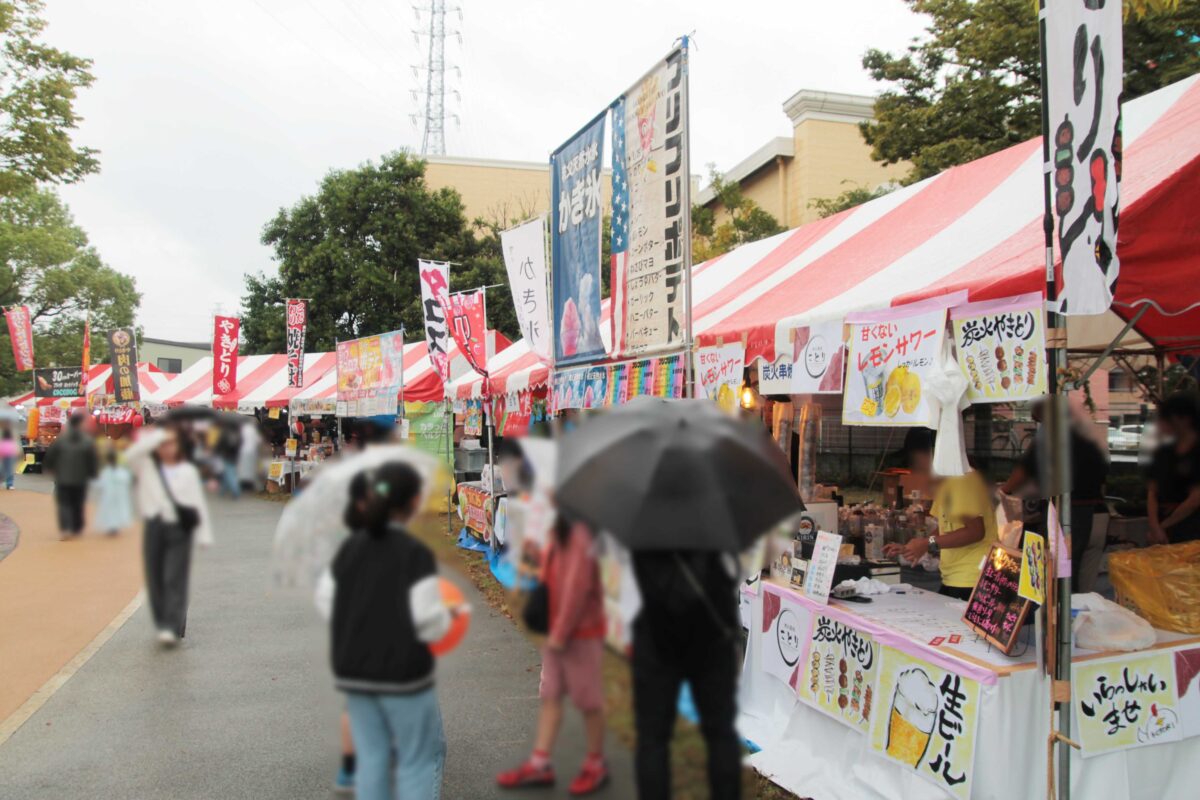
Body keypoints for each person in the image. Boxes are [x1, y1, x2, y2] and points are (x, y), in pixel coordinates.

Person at [315, 462, 458, 800]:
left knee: (373, 756)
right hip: (404, 674)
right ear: (413, 503)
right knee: (423, 754)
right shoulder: (414, 554)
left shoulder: (350, 547)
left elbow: (326, 599)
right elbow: (429, 621)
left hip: (356, 672)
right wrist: (445, 618)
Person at [497, 517, 608, 795]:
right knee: (550, 692)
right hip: (557, 625)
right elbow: (555, 574)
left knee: (588, 698)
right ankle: (540, 762)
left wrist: (559, 633)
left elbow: (577, 587)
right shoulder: (560, 526)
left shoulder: (581, 533)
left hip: (580, 632)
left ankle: (596, 763)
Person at [630, 550, 742, 800]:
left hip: (656, 636)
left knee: (653, 738)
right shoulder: (713, 515)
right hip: (711, 632)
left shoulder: (639, 520)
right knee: (721, 732)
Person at [1000, 400, 1108, 592]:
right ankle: (1072, 617)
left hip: (1067, 514)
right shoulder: (1086, 435)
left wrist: (1002, 492)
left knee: (1057, 574)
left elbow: (1024, 471)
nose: (1033, 417)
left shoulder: (1050, 435)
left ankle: (1056, 618)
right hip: (1095, 513)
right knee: (1079, 580)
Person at [885, 429, 998, 600]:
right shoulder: (947, 480)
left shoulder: (962, 480)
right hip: (955, 577)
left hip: (972, 578)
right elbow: (945, 527)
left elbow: (975, 531)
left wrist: (926, 543)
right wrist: (917, 547)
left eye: (917, 459)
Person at [126, 425, 213, 646]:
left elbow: (197, 502)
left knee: (175, 575)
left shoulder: (187, 471)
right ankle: (163, 621)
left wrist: (204, 533)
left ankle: (173, 626)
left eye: (171, 443)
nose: (167, 448)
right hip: (154, 525)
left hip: (179, 528)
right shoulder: (146, 467)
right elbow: (130, 455)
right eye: (163, 444)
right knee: (155, 577)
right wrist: (154, 438)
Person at [1148, 392, 1200, 544]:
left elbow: (1195, 499)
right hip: (1162, 525)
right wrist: (1154, 526)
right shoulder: (1163, 452)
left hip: (1190, 528)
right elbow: (1152, 491)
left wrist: (1162, 526)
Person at [43, 413, 99, 539]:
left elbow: (50, 456)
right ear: (80, 424)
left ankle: (65, 529)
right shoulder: (87, 441)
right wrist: (93, 473)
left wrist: (49, 468)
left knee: (64, 503)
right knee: (77, 503)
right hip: (81, 478)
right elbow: (92, 460)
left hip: (62, 477)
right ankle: (76, 527)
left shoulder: (60, 440)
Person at [95, 450, 134, 535]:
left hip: (109, 495)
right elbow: (127, 480)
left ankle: (112, 527)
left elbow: (101, 483)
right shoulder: (121, 470)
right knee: (117, 510)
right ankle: (114, 527)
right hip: (119, 495)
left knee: (110, 511)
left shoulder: (106, 471)